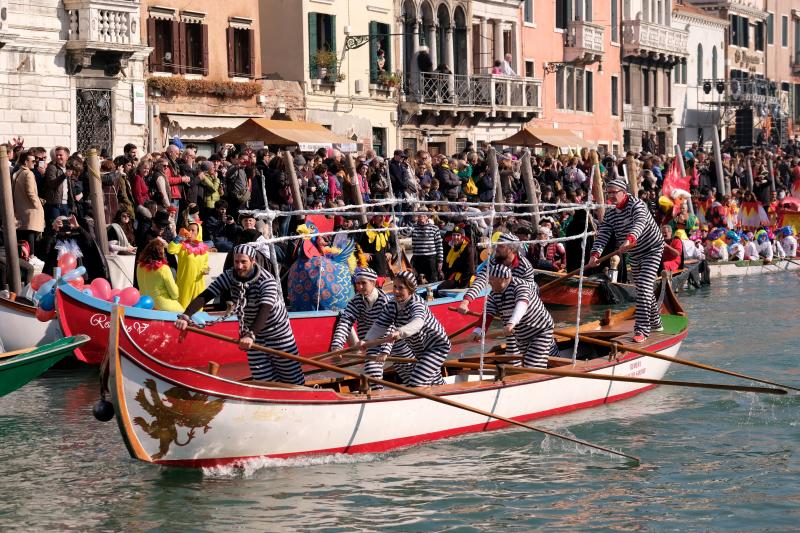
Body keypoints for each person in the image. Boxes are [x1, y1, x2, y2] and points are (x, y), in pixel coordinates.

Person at [175, 244, 304, 385]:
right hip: (252, 334)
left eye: (243, 262)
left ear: (253, 261)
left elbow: (265, 310)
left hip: (277, 333)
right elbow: (207, 294)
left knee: (292, 378)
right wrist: (186, 315)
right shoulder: (230, 275)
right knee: (263, 380)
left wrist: (250, 335)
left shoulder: (267, 281)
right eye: (236, 261)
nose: (239, 266)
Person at [588, 178, 664, 343]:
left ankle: (642, 329)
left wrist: (629, 239)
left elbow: (640, 223)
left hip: (652, 249)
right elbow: (603, 234)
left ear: (624, 192)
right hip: (635, 254)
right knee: (643, 288)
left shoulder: (637, 205)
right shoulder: (611, 214)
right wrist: (595, 254)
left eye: (614, 192)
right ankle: (656, 322)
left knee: (644, 287)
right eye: (608, 193)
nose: (610, 196)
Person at [363, 271, 451, 387]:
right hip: (419, 349)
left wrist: (400, 332)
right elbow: (380, 325)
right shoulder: (392, 304)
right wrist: (366, 341)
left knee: (416, 382)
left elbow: (418, 322)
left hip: (436, 347)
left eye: (401, 288)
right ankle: (446, 390)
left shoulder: (417, 303)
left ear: (410, 290)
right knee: (434, 379)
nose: (396, 291)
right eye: (395, 287)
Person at [329, 268, 414, 383]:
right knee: (372, 372)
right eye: (358, 283)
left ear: (373, 283)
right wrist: (337, 346)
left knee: (410, 373)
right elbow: (345, 321)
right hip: (372, 343)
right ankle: (377, 392)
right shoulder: (356, 301)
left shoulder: (385, 301)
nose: (360, 287)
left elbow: (390, 327)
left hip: (395, 341)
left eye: (363, 283)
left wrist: (385, 351)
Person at [471, 264, 555, 368]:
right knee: (529, 360)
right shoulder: (494, 293)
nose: (489, 282)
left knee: (532, 365)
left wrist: (511, 323)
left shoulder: (520, 286)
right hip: (521, 334)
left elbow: (522, 304)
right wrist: (478, 331)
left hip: (540, 330)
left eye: (491, 279)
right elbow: (488, 313)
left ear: (502, 279)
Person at [167, 221, 209, 308]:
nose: (190, 232)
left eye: (193, 230)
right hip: (184, 284)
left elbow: (205, 264)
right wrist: (179, 237)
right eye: (188, 230)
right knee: (182, 308)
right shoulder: (182, 246)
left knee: (197, 308)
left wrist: (206, 270)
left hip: (198, 284)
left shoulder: (204, 249)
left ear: (198, 233)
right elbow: (170, 250)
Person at [12, 150, 45, 258]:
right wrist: (38, 205)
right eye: (33, 161)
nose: (35, 163)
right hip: (30, 210)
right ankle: (31, 256)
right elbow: (31, 193)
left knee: (23, 237)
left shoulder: (18, 172)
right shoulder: (28, 173)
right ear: (26, 162)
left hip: (21, 210)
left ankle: (27, 257)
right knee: (31, 233)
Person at [135, 238, 182, 311]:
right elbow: (175, 294)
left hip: (146, 305)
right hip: (164, 306)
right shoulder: (163, 268)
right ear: (161, 252)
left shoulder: (139, 266)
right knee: (187, 315)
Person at [407, 208, 443, 283]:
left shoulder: (434, 228)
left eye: (423, 216)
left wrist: (440, 260)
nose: (421, 218)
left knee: (432, 280)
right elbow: (402, 233)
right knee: (417, 280)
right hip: (418, 258)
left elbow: (439, 245)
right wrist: (412, 222)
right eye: (419, 216)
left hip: (431, 258)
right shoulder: (413, 227)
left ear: (427, 217)